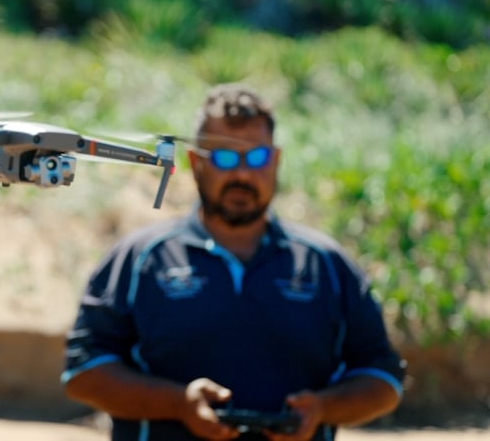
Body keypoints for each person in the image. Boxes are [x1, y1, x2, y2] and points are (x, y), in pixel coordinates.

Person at [60, 83, 406, 441]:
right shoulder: (139, 259)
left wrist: (322, 409)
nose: (242, 174)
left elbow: (383, 380)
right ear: (196, 163)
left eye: (256, 157)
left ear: (276, 160)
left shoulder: (328, 265)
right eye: (225, 157)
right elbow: (83, 372)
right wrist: (179, 404)